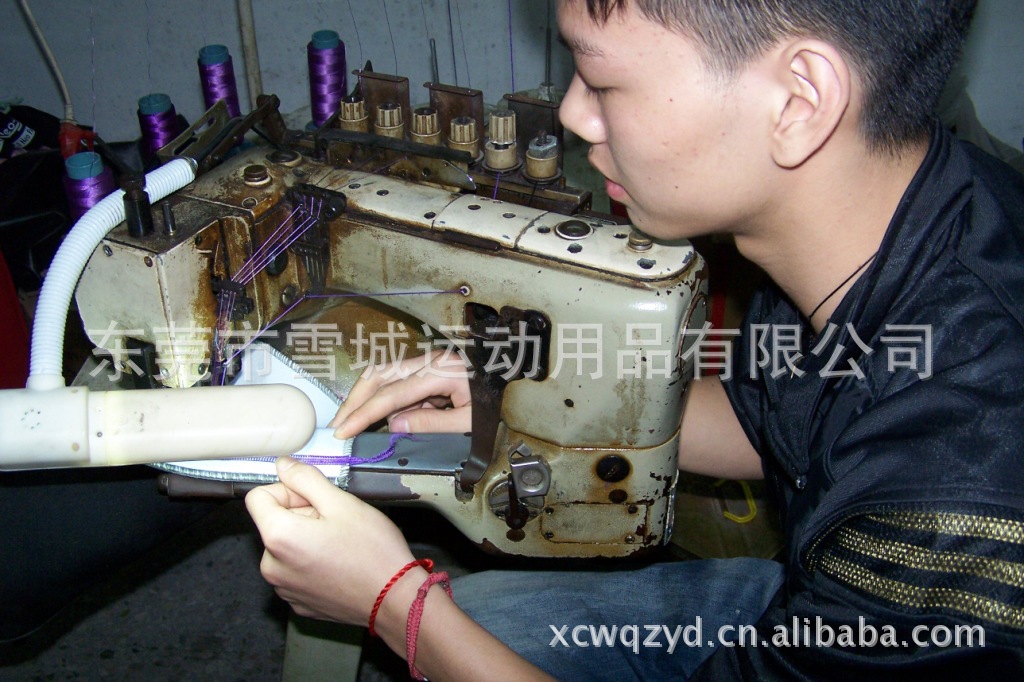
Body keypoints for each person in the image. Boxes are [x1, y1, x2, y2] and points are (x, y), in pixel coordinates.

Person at [244, 0, 1024, 678]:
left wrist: (393, 605)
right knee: (487, 621)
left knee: (445, 629)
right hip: (827, 586)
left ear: (798, 100)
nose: (574, 116)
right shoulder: (902, 215)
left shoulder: (950, 506)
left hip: (892, 622)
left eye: (602, 81)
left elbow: (904, 480)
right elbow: (769, 415)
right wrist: (515, 397)